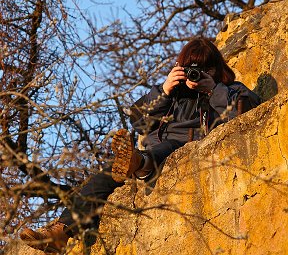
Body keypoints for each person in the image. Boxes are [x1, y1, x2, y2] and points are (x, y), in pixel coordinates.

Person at [20, 37, 261, 253]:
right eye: (191, 69)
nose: (195, 75)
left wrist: (213, 89)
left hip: (192, 146)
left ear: (216, 69)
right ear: (181, 68)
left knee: (162, 150)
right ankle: (60, 232)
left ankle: (139, 163)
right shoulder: (172, 93)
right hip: (160, 146)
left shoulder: (230, 90)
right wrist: (164, 91)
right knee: (104, 175)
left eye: (204, 69)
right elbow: (137, 118)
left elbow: (246, 111)